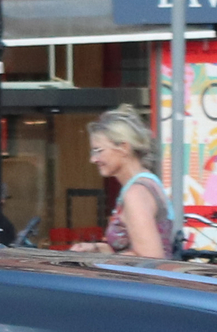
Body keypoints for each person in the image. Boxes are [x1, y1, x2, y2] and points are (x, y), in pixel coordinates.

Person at [69, 107, 174, 259]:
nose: (93, 159)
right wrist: (96, 248)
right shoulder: (147, 183)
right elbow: (134, 251)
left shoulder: (135, 194)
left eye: (99, 150)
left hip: (139, 283)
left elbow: (151, 259)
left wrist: (100, 263)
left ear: (123, 148)